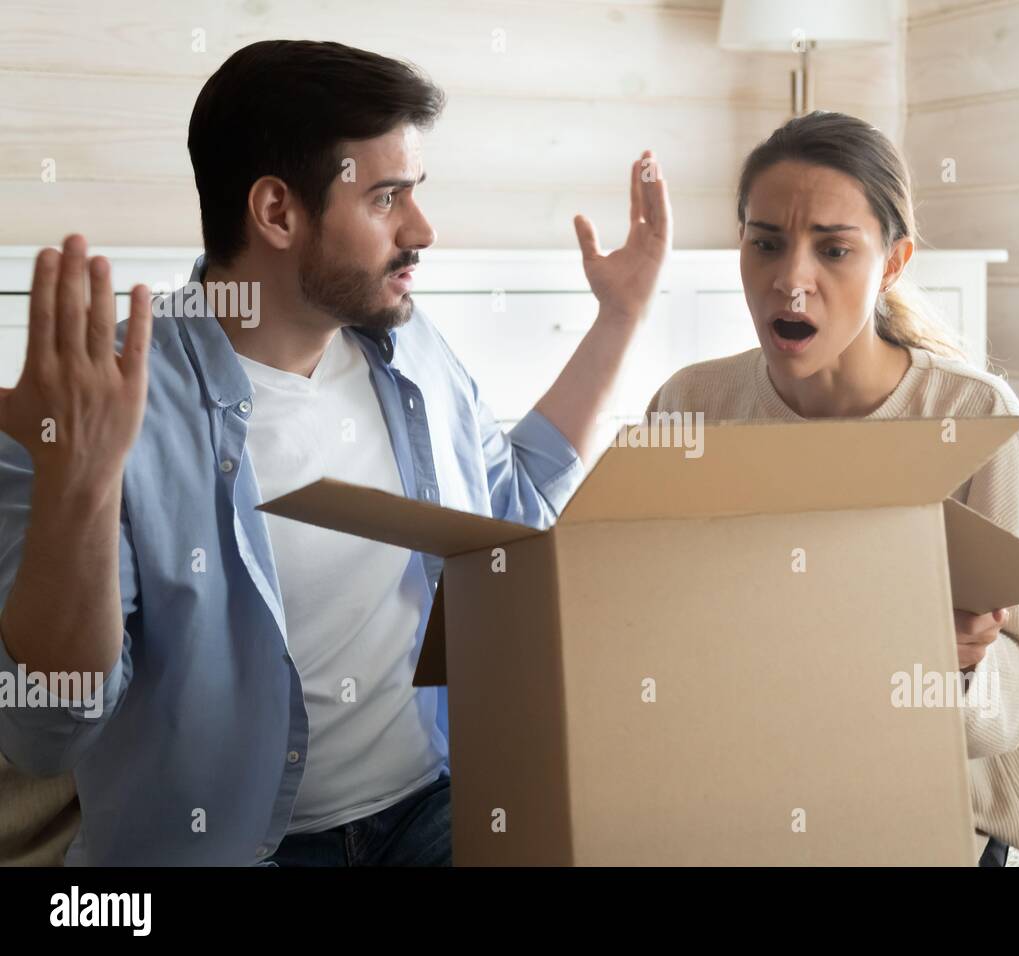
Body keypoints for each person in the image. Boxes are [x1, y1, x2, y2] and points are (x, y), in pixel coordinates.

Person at [0, 39, 671, 866]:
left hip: (436, 810)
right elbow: (44, 729)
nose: (423, 229)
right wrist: (83, 489)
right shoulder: (91, 411)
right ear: (277, 213)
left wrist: (620, 319)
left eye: (415, 192)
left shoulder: (410, 346)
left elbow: (512, 515)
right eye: (387, 197)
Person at [646, 111, 1019, 868]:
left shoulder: (971, 414)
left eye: (834, 250)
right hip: (742, 795)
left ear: (894, 262)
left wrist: (959, 670)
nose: (790, 279)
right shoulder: (690, 407)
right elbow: (647, 635)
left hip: (933, 815)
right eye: (765, 242)